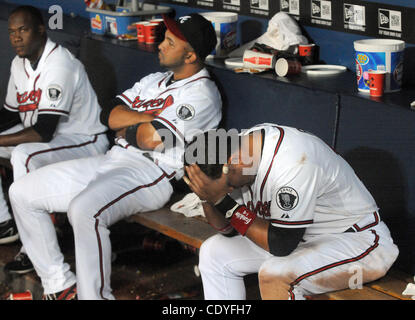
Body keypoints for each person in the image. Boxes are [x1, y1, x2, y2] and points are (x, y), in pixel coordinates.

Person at [8, 13, 222, 300]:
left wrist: (132, 129)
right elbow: (108, 114)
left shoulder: (202, 94)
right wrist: (147, 118)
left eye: (170, 42)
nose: (160, 45)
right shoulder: (154, 81)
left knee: (85, 211)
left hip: (151, 175)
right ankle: (59, 285)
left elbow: (153, 139)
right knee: (21, 192)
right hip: (113, 160)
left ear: (191, 55)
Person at [183, 123, 399, 300]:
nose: (231, 190)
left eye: (228, 186)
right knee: (213, 252)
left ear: (232, 164)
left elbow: (281, 244)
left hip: (358, 241)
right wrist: (208, 198)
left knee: (275, 274)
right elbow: (227, 229)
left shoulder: (293, 160)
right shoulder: (237, 155)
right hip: (303, 239)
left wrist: (221, 199)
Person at [0, 6, 109, 274]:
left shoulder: (60, 64)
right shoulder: (19, 64)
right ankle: (5, 223)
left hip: (85, 142)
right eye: (12, 32)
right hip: (52, 142)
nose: (16, 38)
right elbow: (10, 114)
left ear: (40, 30)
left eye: (23, 30)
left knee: (24, 154)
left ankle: (32, 251)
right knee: (23, 150)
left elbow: (44, 131)